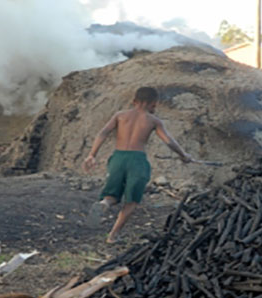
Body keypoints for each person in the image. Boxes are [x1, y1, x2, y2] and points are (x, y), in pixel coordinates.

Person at [82, 87, 193, 243]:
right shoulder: (153, 120)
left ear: (134, 101)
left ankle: (103, 204)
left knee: (112, 195)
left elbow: (103, 133)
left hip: (118, 158)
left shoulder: (120, 115)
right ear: (154, 103)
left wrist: (91, 155)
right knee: (132, 200)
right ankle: (113, 235)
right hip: (137, 160)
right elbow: (168, 141)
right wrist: (183, 155)